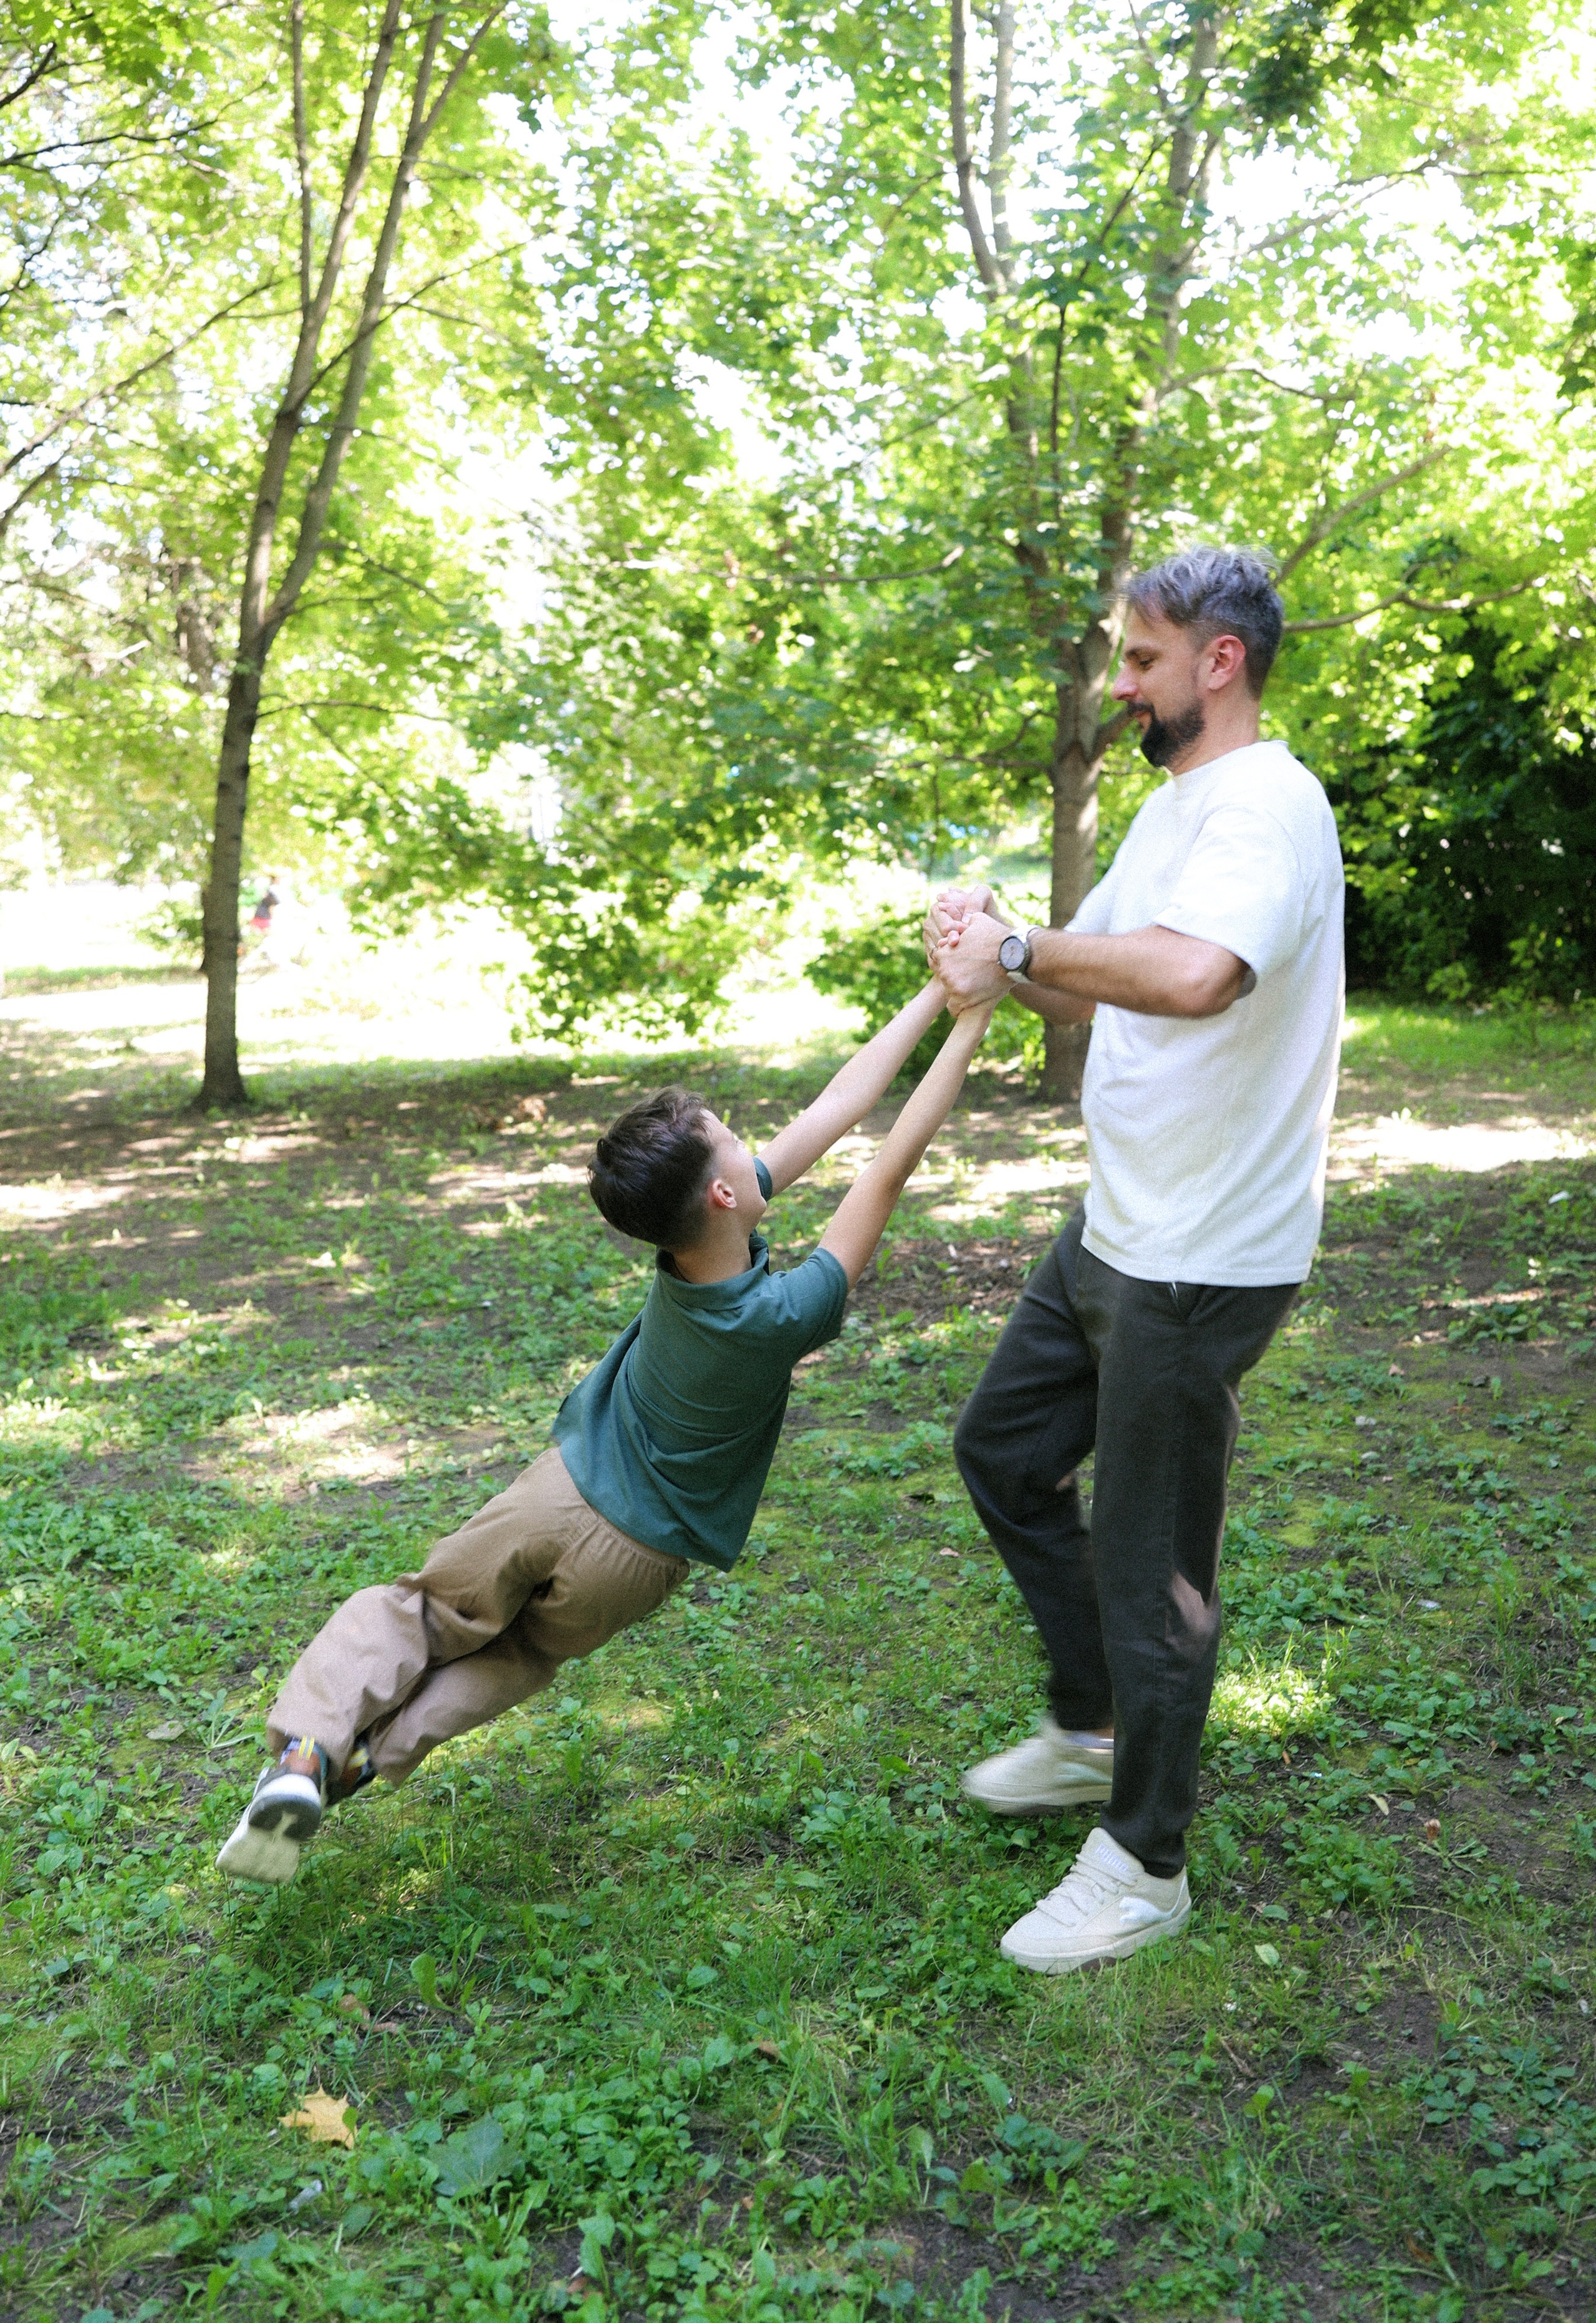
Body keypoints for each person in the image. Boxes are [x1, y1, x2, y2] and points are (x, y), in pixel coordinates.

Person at [216, 977, 994, 1885]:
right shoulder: (783, 1312)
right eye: (736, 1143)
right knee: (516, 1657)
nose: (752, 1145)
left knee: (422, 1616)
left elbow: (841, 1105)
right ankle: (354, 1769)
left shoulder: (682, 1250)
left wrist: (947, 992)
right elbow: (884, 1163)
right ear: (724, 1198)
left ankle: (306, 1755)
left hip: (558, 1496)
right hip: (638, 1560)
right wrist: (969, 1014)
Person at [929, 544, 1344, 1976]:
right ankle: (1092, 1726)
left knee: (1147, 1562)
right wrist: (991, 942)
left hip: (1201, 1254)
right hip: (1118, 1223)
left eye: (1142, 659)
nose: (1121, 683)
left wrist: (1025, 945)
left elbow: (1188, 975)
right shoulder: (1178, 807)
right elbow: (1082, 955)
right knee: (1000, 1451)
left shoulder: (1265, 812)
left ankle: (1143, 1862)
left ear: (1215, 662)